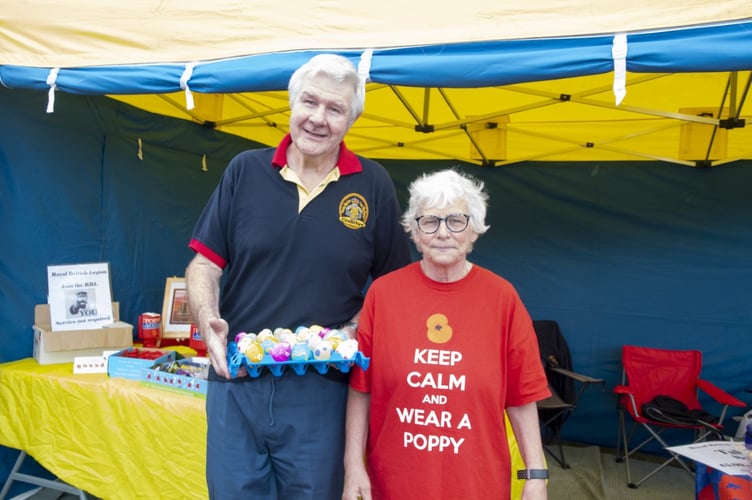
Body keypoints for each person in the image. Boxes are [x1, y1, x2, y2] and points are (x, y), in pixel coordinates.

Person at [185, 53, 412, 499]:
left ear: (351, 120)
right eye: (310, 102)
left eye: (335, 109)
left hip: (322, 390)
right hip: (236, 380)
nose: (318, 119)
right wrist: (206, 315)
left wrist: (354, 328)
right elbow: (204, 264)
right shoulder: (244, 171)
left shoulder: (373, 184)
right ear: (291, 104)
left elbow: (393, 287)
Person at [342, 169, 551, 500]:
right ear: (413, 229)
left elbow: (522, 396)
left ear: (475, 230)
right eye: (430, 221)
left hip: (477, 485)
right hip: (393, 483)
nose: (442, 233)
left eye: (456, 221)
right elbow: (360, 391)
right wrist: (354, 467)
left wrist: (535, 476)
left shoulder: (502, 298)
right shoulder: (382, 295)